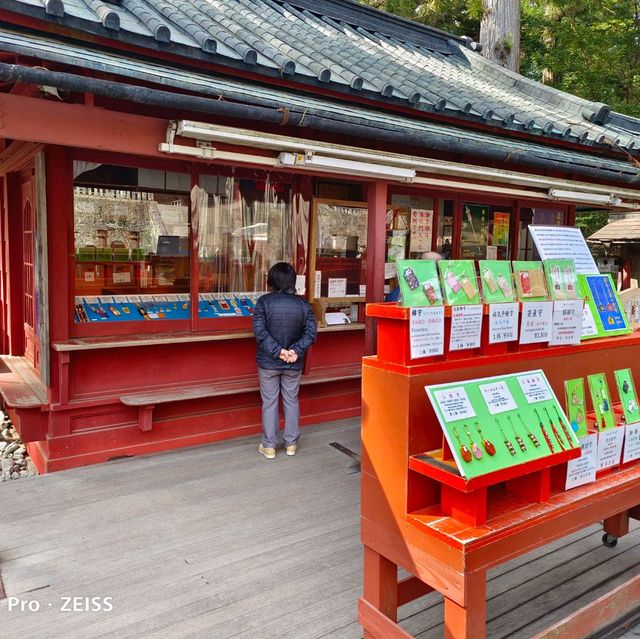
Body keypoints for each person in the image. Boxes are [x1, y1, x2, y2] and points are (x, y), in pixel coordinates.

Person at [253, 262, 317, 459]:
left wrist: (278, 351)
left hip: (269, 363)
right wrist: (295, 351)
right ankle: (291, 444)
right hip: (293, 363)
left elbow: (260, 332)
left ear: (271, 280)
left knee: (270, 402)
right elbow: (311, 332)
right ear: (292, 281)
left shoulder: (263, 302)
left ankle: (270, 446)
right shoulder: (303, 304)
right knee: (291, 400)